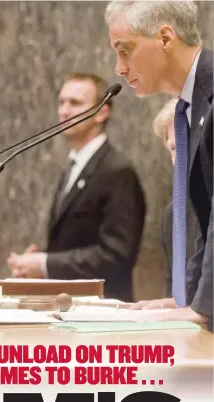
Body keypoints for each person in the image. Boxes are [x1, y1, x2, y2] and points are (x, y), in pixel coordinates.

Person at [105, 0, 213, 330]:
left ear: (166, 38)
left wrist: (203, 308)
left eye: (126, 51)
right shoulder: (192, 106)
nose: (119, 69)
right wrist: (190, 298)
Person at [7, 72, 146, 302]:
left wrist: (46, 263)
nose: (64, 111)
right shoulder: (73, 166)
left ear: (102, 112)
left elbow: (117, 254)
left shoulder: (117, 171)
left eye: (75, 103)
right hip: (68, 306)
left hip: (103, 310)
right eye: (61, 102)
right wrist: (36, 264)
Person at [153, 99, 198, 297]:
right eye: (173, 148)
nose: (180, 158)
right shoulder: (175, 214)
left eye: (187, 144)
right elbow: (177, 296)